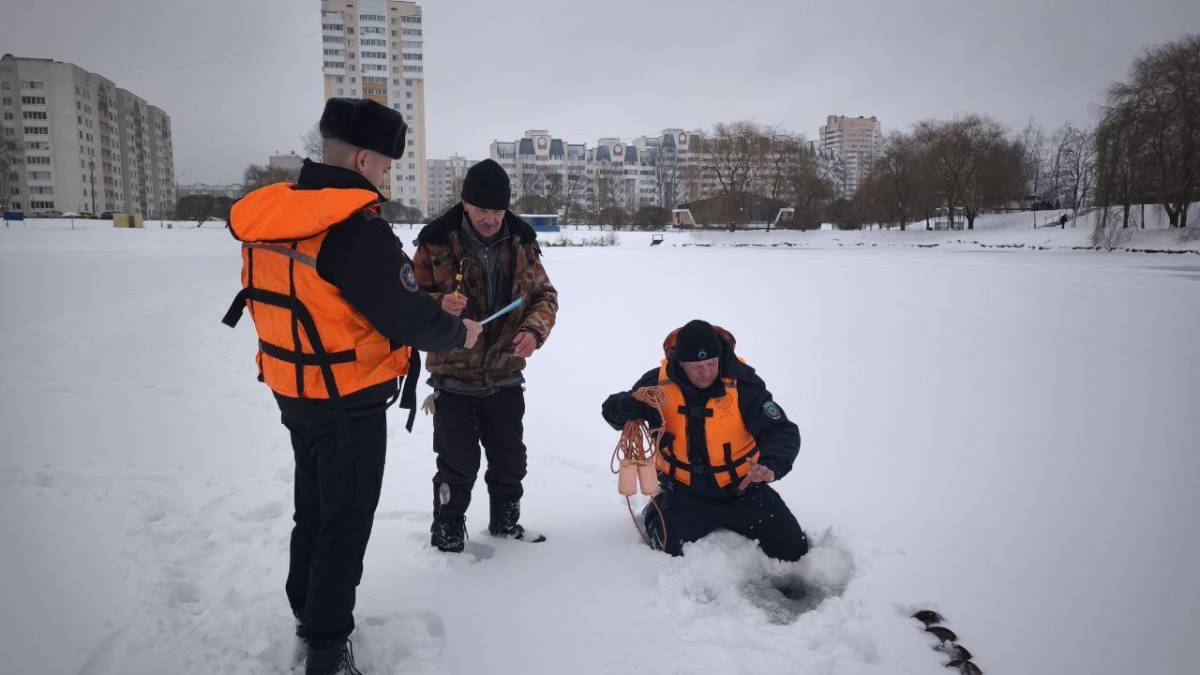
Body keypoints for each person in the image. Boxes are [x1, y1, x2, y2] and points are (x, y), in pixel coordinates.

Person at [222, 97, 481, 675]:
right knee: (346, 520)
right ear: (364, 159)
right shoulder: (353, 229)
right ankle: (326, 646)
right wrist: (455, 331)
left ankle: (307, 607)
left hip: (294, 388)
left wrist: (425, 306)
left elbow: (344, 300)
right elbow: (401, 316)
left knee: (314, 508)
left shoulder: (286, 214)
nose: (384, 177)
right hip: (348, 402)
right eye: (385, 165)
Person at [412, 159, 559, 553]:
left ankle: (506, 523)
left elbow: (544, 296)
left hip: (504, 373)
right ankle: (447, 528)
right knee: (457, 463)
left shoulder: (522, 242)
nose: (491, 219)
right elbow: (406, 303)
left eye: (498, 210)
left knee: (511, 460)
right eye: (482, 210)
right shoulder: (434, 242)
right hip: (452, 377)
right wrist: (439, 303)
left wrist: (533, 331)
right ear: (465, 204)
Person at [601, 320, 809, 562]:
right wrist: (624, 406)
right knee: (666, 547)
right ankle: (658, 509)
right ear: (681, 363)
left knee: (794, 549)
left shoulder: (744, 385)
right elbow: (611, 411)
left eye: (711, 363)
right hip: (686, 495)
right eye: (697, 366)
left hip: (744, 490)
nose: (706, 372)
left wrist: (771, 464)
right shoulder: (657, 385)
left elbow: (781, 430)